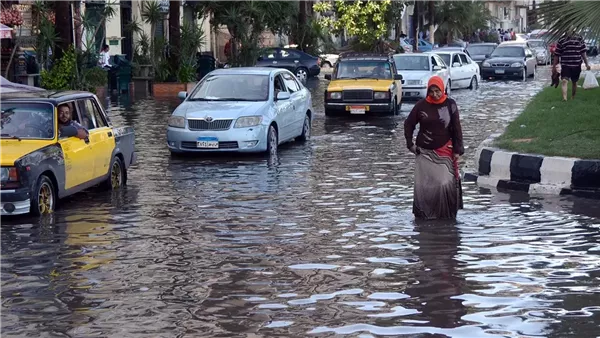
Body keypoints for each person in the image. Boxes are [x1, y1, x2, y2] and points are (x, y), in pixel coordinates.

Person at [404, 76, 464, 220]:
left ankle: (446, 215)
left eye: (438, 91)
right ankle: (426, 215)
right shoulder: (421, 106)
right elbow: (408, 124)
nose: (435, 94)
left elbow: (456, 128)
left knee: (444, 182)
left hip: (444, 151)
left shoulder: (450, 105)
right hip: (424, 152)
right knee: (426, 185)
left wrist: (457, 149)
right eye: (432, 91)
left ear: (442, 89)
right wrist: (410, 144)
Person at [553, 29, 591, 101]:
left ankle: (573, 97)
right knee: (564, 80)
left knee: (574, 82)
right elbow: (557, 54)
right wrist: (554, 66)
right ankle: (565, 98)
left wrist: (587, 64)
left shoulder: (579, 38)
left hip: (576, 64)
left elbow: (583, 52)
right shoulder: (562, 39)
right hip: (565, 65)